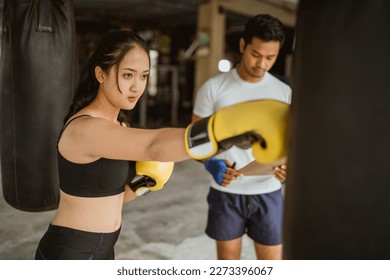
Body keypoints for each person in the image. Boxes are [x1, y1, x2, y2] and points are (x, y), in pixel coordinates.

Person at [34, 30, 288, 260]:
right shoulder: (86, 128)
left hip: (104, 249)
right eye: (127, 75)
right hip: (70, 252)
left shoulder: (120, 126)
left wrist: (142, 185)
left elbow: (112, 199)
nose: (137, 86)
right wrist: (225, 128)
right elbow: (153, 145)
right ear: (101, 73)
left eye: (144, 76)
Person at [192, 14, 291, 260]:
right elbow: (195, 143)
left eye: (271, 57)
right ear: (242, 46)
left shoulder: (283, 92)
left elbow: (292, 144)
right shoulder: (213, 89)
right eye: (256, 54)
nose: (262, 64)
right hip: (225, 192)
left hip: (268, 192)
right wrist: (209, 163)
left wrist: (289, 166)